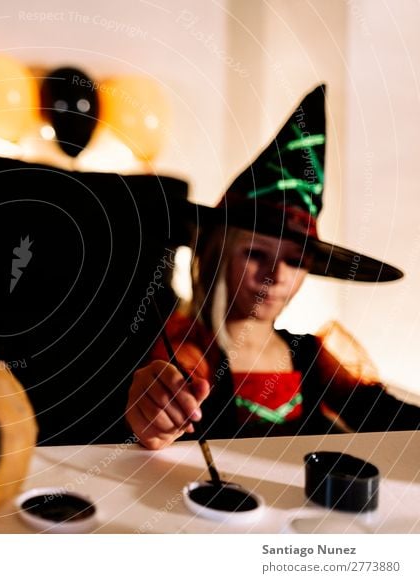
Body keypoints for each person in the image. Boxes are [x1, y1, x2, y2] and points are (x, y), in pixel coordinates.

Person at [127, 85, 420, 450]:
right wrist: (155, 414)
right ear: (217, 252)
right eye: (255, 254)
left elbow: (385, 416)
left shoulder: (310, 355)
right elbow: (159, 399)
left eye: (295, 261)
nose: (276, 276)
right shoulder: (182, 349)